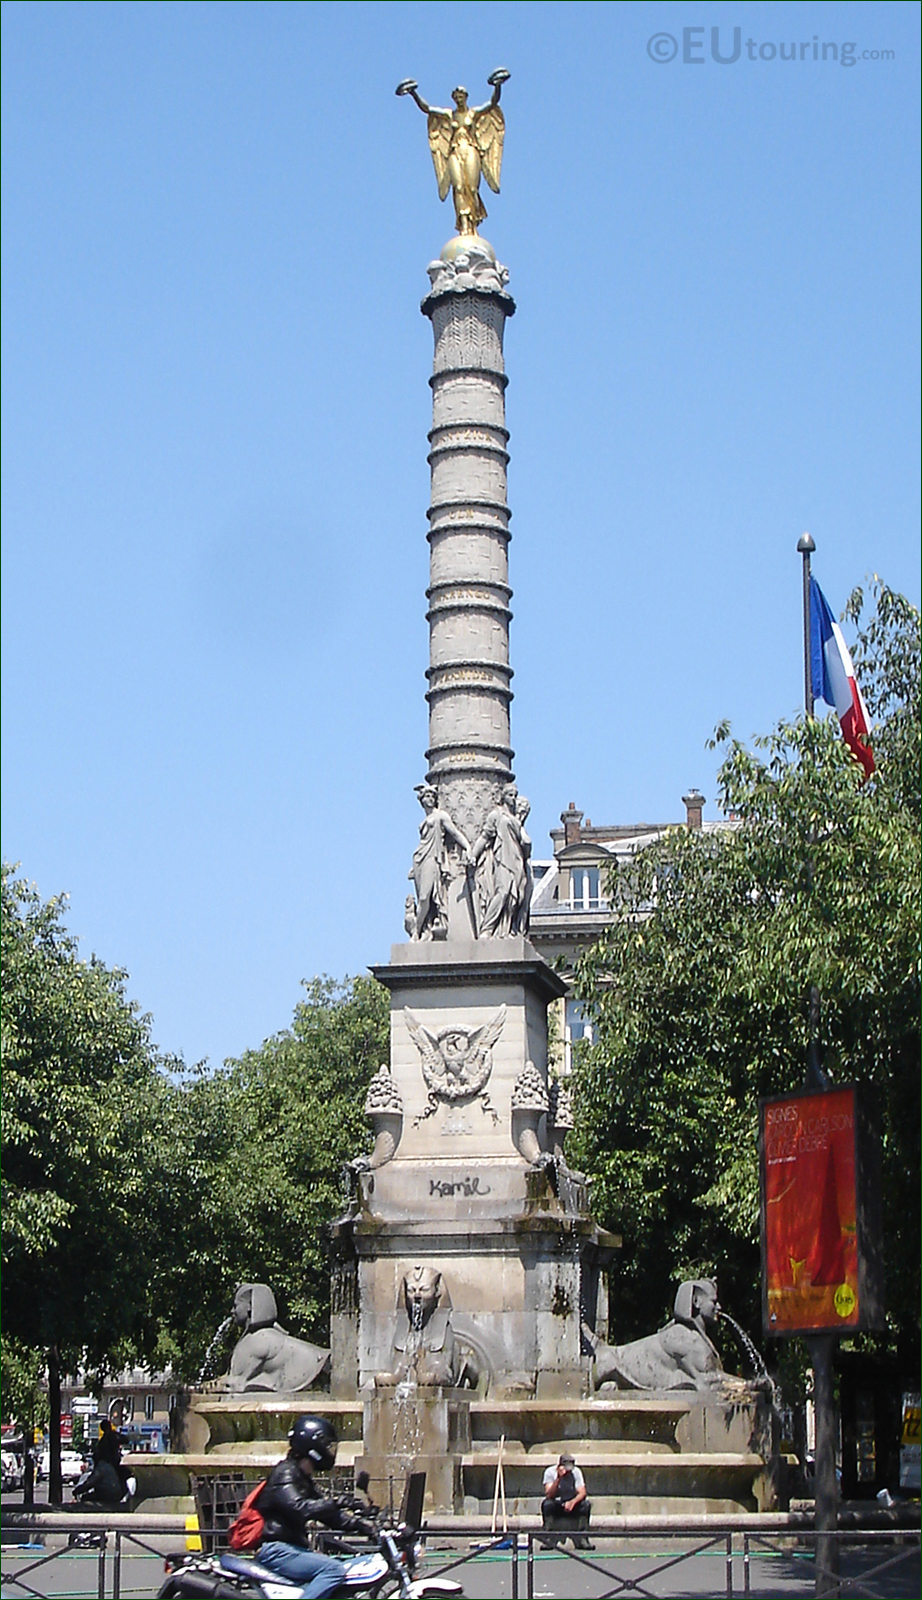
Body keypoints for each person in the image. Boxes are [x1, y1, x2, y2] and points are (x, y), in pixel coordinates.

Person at [254, 1414, 370, 1598]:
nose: (330, 1452)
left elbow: (329, 1515)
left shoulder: (301, 1477)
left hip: (291, 1548)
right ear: (313, 1446)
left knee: (341, 1564)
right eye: (328, 1446)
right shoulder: (285, 1473)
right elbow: (301, 1508)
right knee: (333, 1570)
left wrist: (362, 1525)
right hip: (277, 1550)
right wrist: (336, 1501)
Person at [540, 1451, 594, 1549]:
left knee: (586, 1505)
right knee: (547, 1504)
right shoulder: (550, 1472)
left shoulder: (576, 1472)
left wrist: (572, 1502)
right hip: (557, 1503)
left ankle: (583, 1538)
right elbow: (549, 1494)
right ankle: (548, 1538)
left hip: (572, 1503)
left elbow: (582, 1492)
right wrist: (558, 1478)